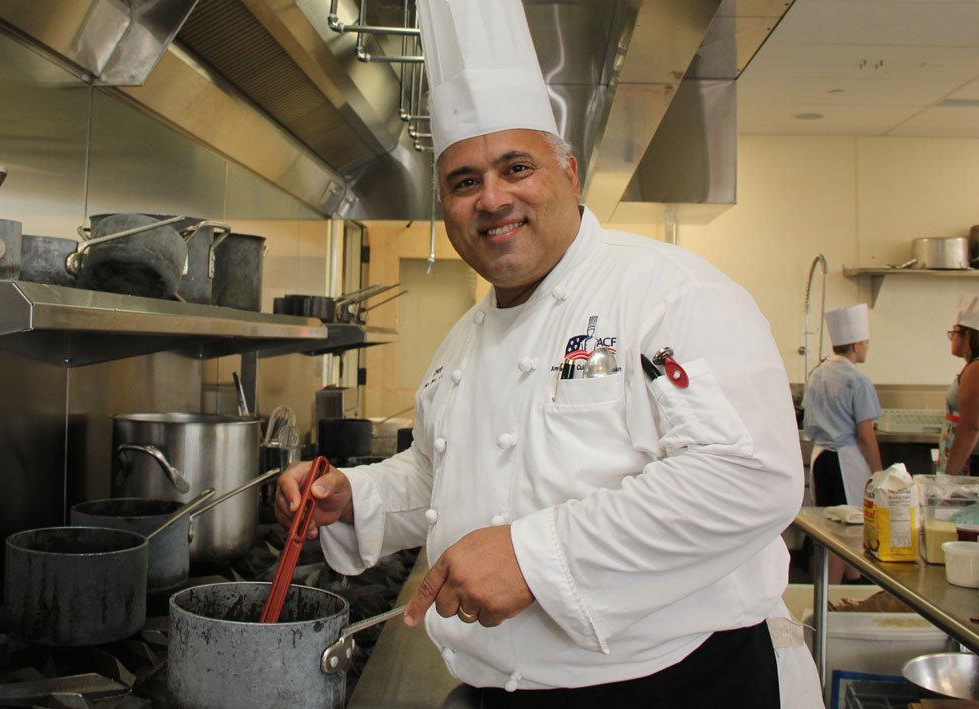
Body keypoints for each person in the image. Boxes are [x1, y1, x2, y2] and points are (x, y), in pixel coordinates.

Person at [275, 0, 821, 705]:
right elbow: (443, 474)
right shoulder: (463, 340)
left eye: (515, 167)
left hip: (677, 682)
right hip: (503, 684)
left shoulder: (665, 292)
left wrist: (534, 558)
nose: (491, 198)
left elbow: (747, 475)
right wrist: (355, 497)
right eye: (464, 180)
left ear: (567, 170)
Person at [800, 303, 882, 584]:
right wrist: (879, 473)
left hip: (821, 459)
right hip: (847, 462)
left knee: (828, 526)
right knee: (847, 533)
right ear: (857, 345)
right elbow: (865, 435)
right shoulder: (858, 381)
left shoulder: (816, 375)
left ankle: (842, 587)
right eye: (867, 343)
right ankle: (833, 595)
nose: (867, 348)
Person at [939, 295, 979, 475]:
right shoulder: (972, 367)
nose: (951, 338)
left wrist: (949, 477)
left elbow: (971, 426)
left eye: (953, 333)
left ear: (967, 335)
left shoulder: (976, 369)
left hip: (972, 462)